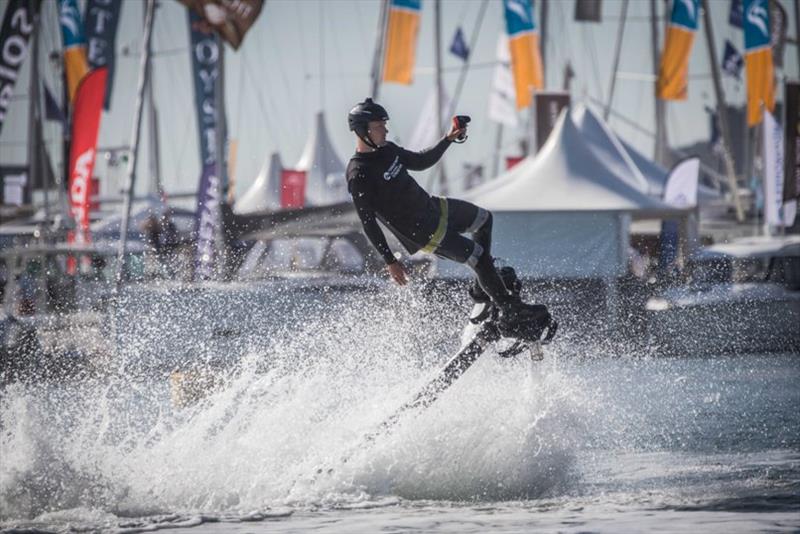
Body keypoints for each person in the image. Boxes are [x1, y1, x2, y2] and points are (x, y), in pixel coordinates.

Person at [346, 97, 548, 334]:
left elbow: (421, 161)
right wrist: (390, 260)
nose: (385, 129)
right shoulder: (359, 173)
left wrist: (449, 138)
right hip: (423, 229)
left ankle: (482, 290)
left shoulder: (388, 149)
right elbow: (368, 223)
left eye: (384, 124)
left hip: (433, 207)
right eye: (379, 126)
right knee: (479, 258)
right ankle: (511, 310)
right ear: (362, 130)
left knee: (484, 219)